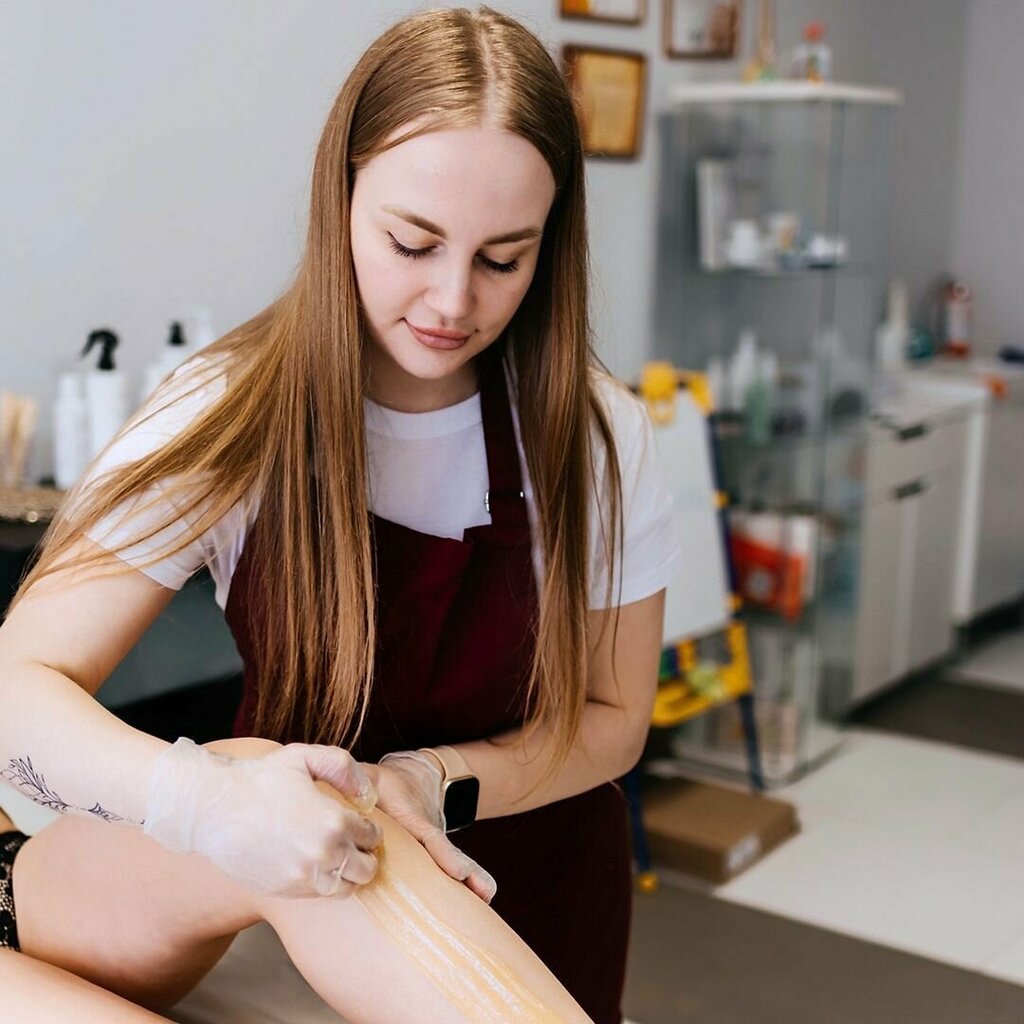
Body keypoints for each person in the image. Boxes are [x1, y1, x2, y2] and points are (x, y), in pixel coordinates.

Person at [0, 6, 682, 1023]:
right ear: (342, 199)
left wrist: (433, 778)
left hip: (536, 888)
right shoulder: (229, 413)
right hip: (301, 883)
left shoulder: (595, 438)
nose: (451, 301)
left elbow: (615, 720)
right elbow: (17, 686)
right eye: (412, 243)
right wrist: (203, 802)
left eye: (503, 259)